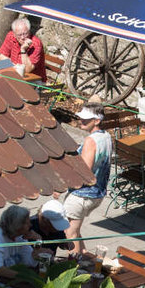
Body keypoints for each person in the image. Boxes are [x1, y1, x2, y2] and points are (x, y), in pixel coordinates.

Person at [62, 100, 113, 245]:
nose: (81, 120)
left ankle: (75, 265)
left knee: (69, 235)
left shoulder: (91, 140)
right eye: (81, 117)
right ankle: (83, 255)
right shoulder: (106, 137)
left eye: (86, 118)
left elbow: (83, 171)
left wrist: (61, 185)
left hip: (82, 195)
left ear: (97, 120)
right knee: (75, 232)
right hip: (98, 193)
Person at [0, 15, 46, 82]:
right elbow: (2, 56)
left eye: (25, 34)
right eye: (19, 35)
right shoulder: (10, 36)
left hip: (33, 80)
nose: (22, 37)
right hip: (14, 74)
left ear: (29, 31)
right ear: (14, 34)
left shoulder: (36, 44)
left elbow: (27, 69)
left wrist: (23, 50)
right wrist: (15, 67)